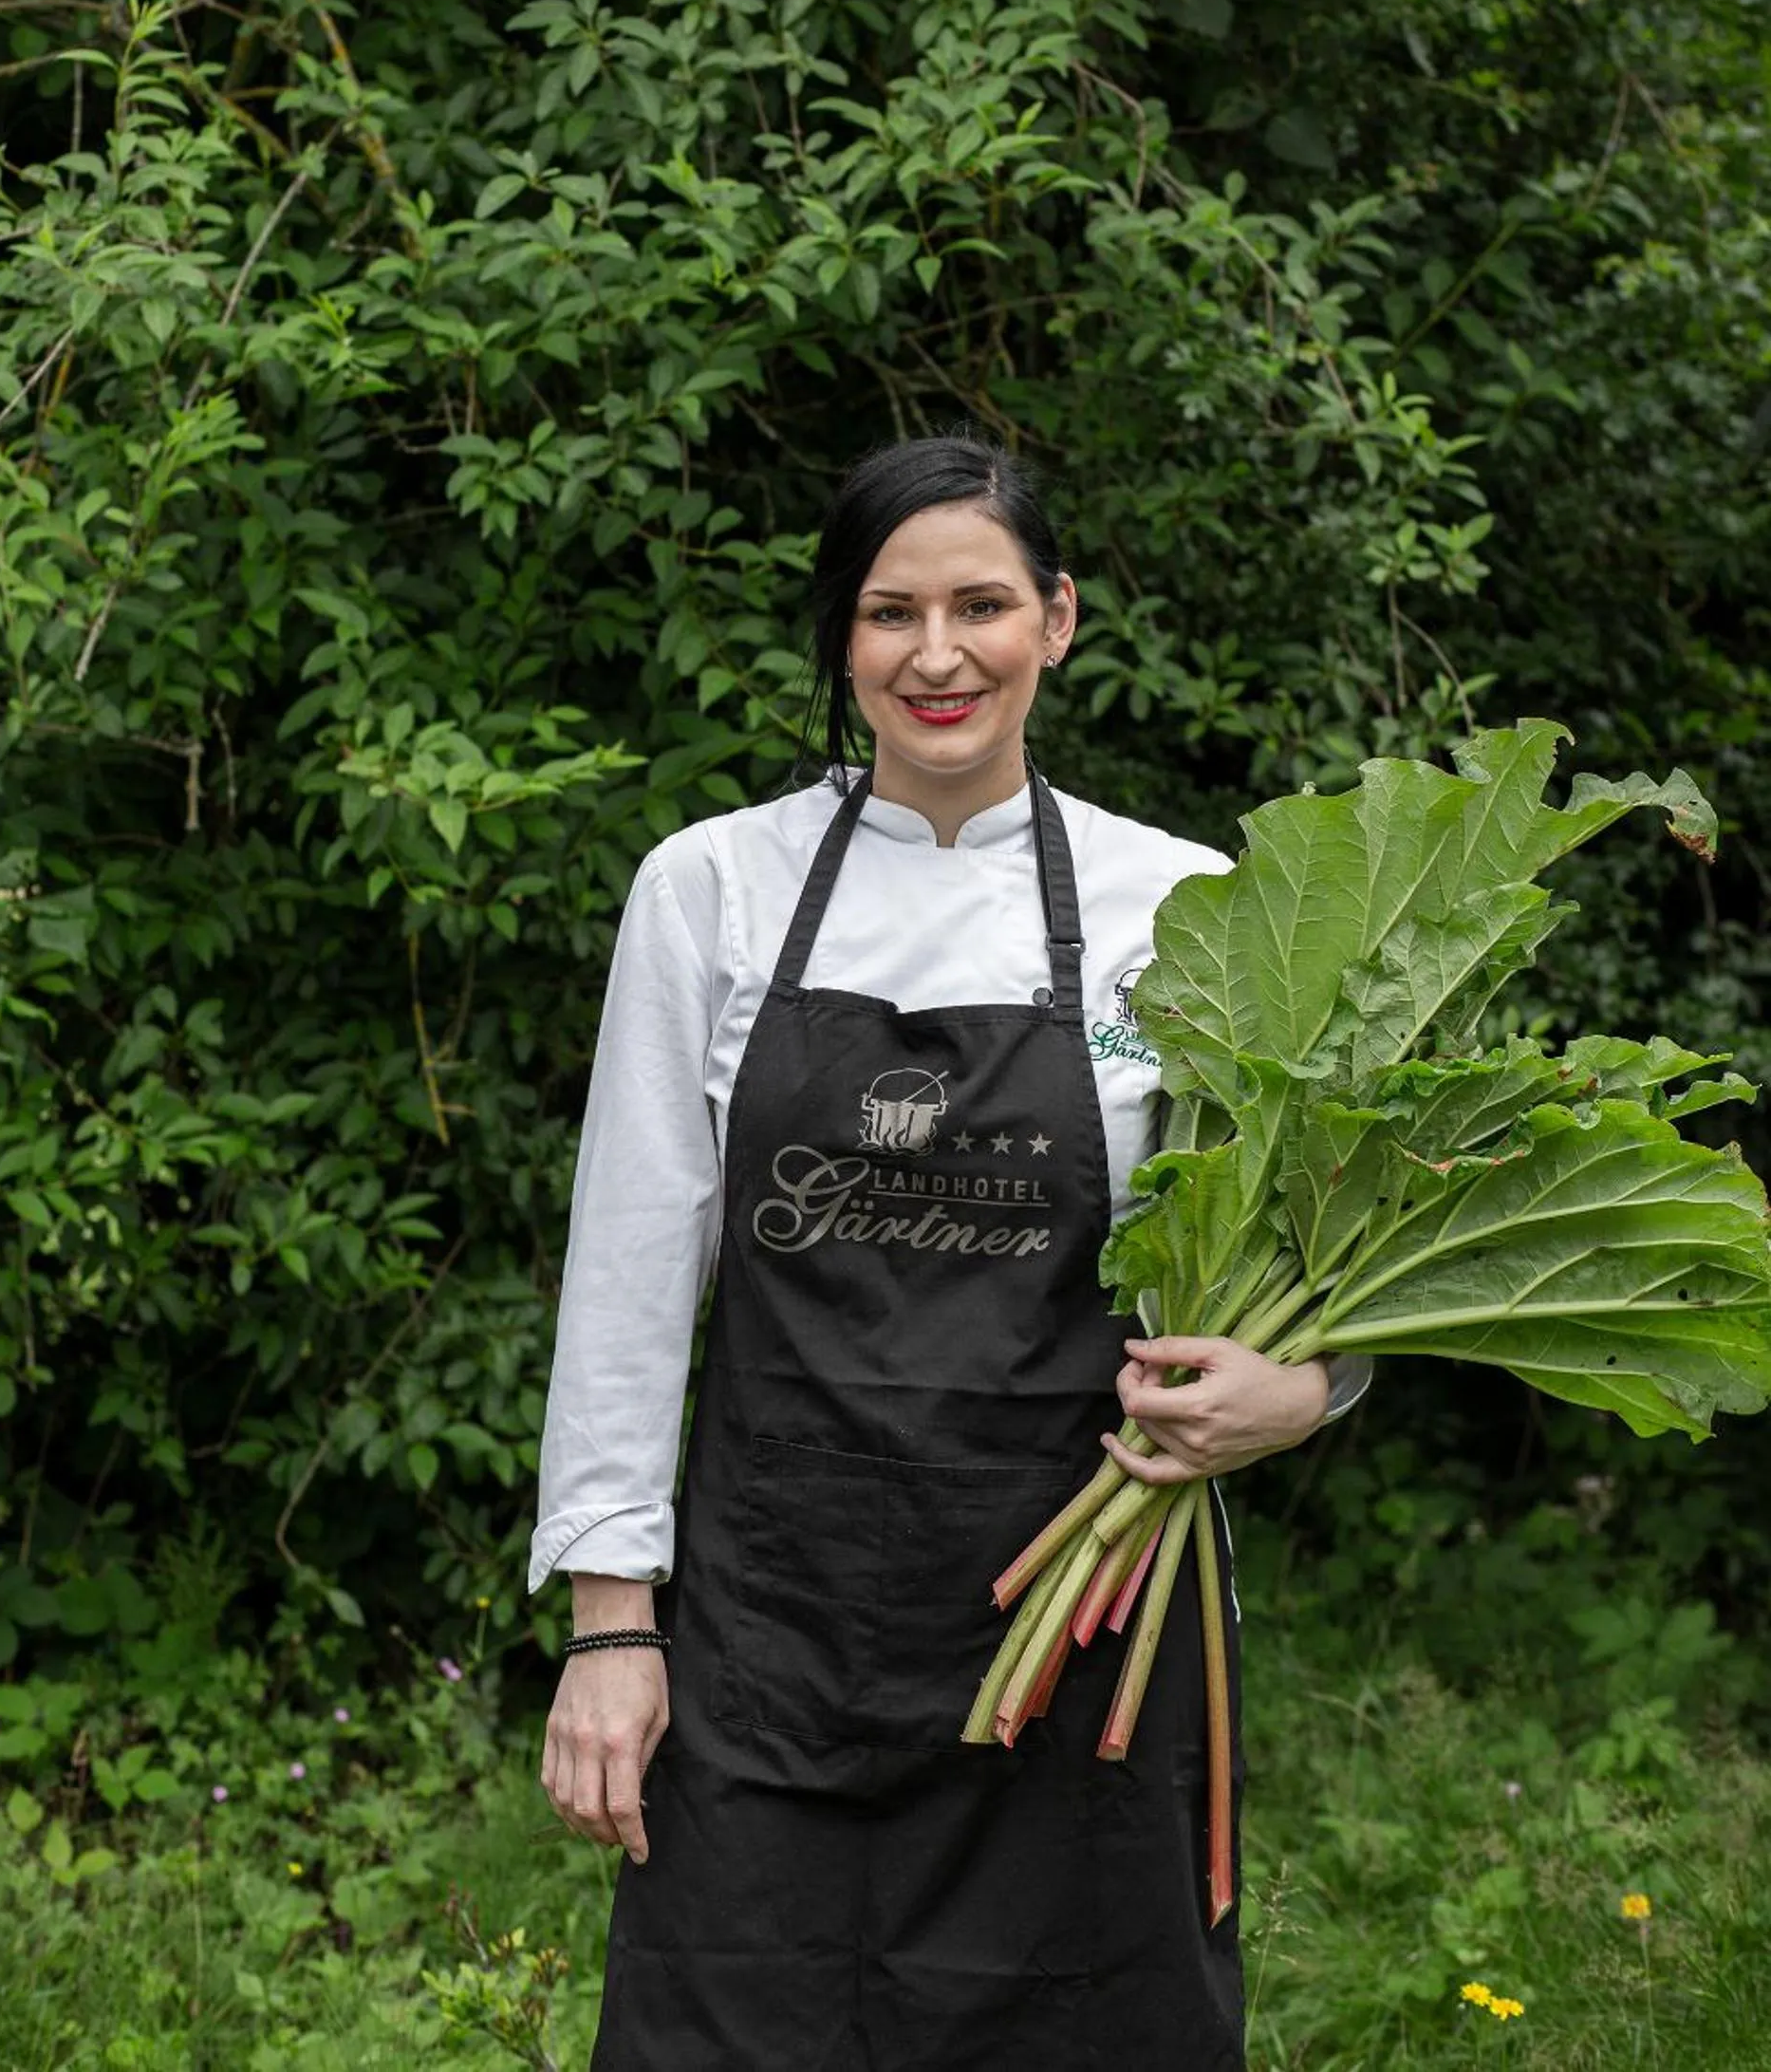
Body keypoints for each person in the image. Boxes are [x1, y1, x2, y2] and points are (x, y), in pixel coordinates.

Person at [531, 436, 1366, 2070]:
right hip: (770, 1643)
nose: (936, 654)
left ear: (1058, 620)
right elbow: (627, 1281)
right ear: (840, 638)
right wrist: (611, 1628)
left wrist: (1310, 1393)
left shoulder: (1186, 911)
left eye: (981, 604)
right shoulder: (709, 890)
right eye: (888, 611)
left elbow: (1324, 1248)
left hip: (1087, 1631)